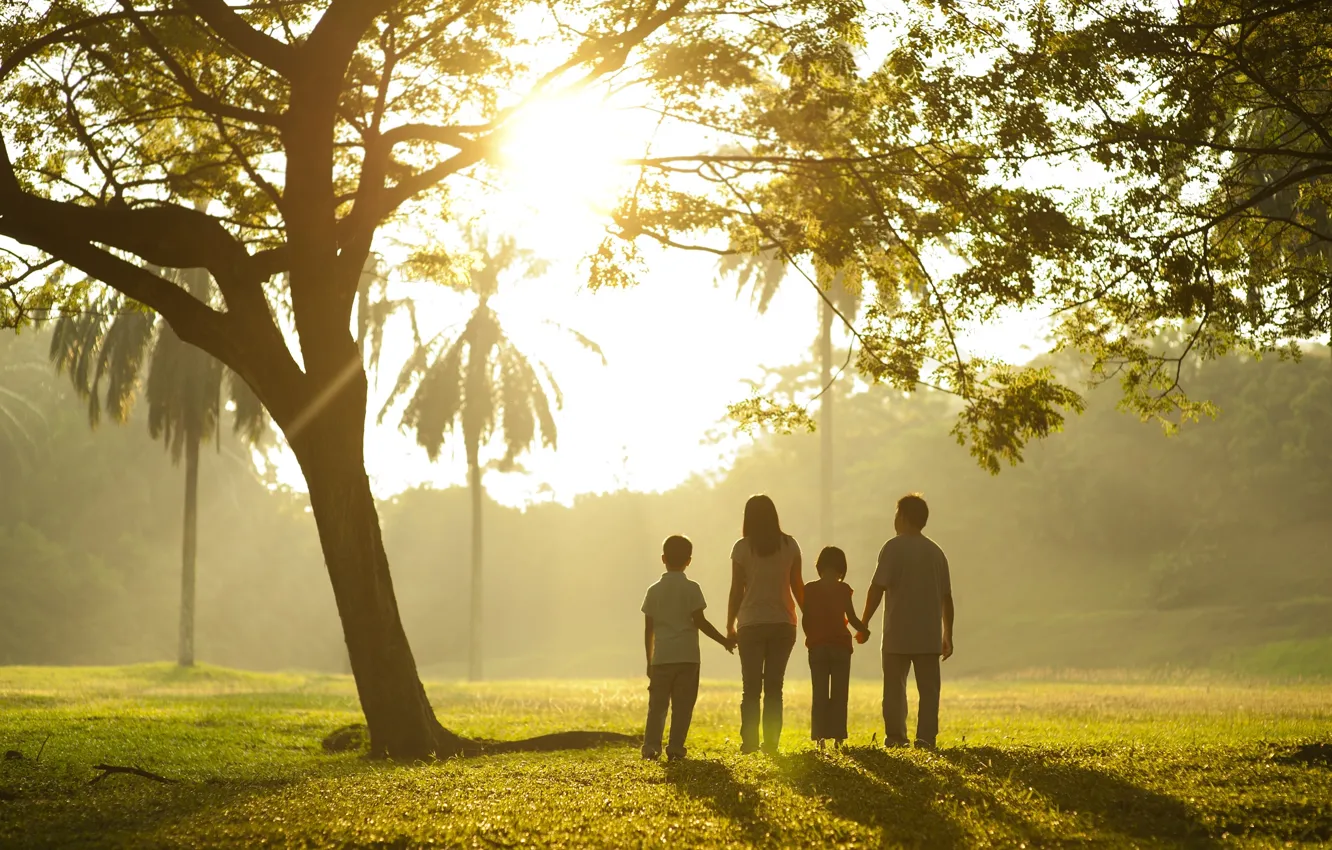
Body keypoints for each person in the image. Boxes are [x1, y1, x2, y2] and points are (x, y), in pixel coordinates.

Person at [860, 493, 954, 750]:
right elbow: (947, 597)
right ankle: (925, 740)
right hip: (928, 635)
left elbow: (877, 588)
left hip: (896, 634)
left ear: (901, 517)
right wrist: (948, 634)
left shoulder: (892, 547)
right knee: (929, 692)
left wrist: (864, 621)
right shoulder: (936, 552)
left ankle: (896, 738)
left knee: (894, 690)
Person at [641, 534, 734, 761]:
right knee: (683, 707)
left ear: (663, 558)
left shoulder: (653, 590)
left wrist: (649, 660)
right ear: (689, 561)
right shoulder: (692, 588)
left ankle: (651, 747)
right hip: (688, 658)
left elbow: (649, 629)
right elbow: (700, 622)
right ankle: (675, 748)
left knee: (657, 707)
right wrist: (724, 641)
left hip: (662, 657)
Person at [727, 495, 803, 754]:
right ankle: (771, 743)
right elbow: (797, 587)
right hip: (783, 623)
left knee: (750, 689)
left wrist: (729, 624)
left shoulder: (742, 548)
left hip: (750, 624)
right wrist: (810, 617)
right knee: (774, 688)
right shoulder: (790, 545)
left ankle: (749, 743)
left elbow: (737, 590)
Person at [802, 546, 870, 750]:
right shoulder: (843, 589)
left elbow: (806, 619)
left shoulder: (810, 589)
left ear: (819, 566)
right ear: (842, 568)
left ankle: (820, 739)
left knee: (819, 693)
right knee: (840, 694)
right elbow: (851, 618)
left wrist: (813, 637)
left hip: (818, 647)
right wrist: (864, 630)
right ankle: (839, 738)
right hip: (840, 647)